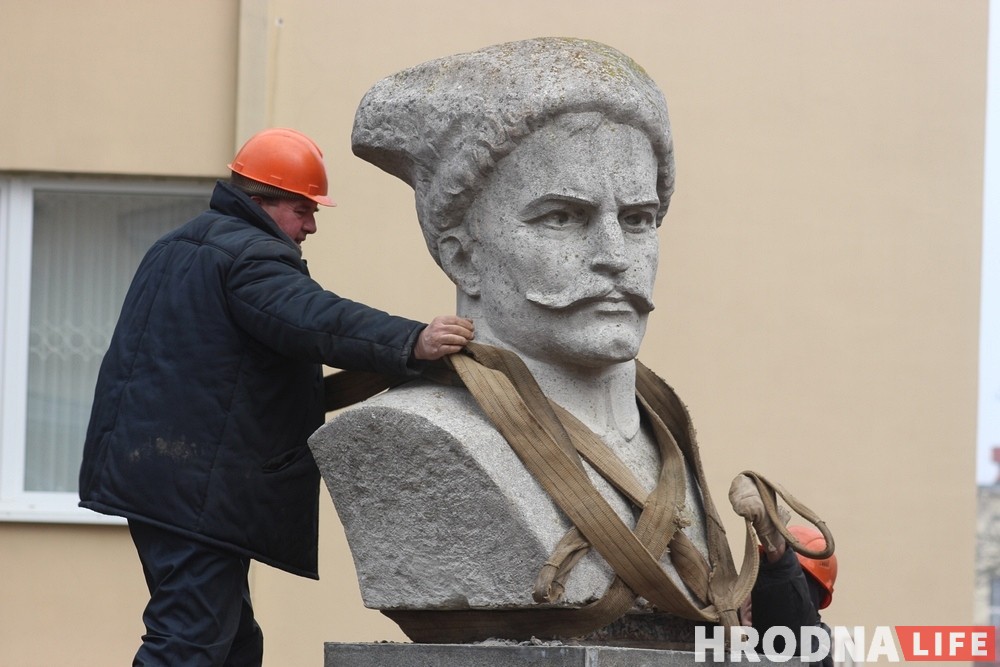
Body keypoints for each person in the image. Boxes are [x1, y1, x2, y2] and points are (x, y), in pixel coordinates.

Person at [310, 38, 752, 645]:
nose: (614, 257)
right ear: (462, 256)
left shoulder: (663, 430)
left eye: (637, 219)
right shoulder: (411, 435)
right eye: (562, 217)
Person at [78, 127, 474, 666]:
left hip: (158, 478)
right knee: (190, 642)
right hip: (194, 491)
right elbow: (314, 319)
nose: (311, 225)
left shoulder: (179, 245)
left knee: (233, 643)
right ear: (261, 201)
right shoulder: (249, 256)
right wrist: (413, 341)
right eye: (303, 209)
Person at [730, 475, 838, 666]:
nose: (758, 597)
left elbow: (793, 634)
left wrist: (775, 547)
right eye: (757, 581)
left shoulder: (816, 646)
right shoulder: (722, 632)